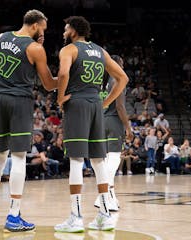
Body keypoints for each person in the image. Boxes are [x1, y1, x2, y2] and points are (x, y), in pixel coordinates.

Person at [0, 9, 57, 232]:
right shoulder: (35, 48)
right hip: (19, 102)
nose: (43, 32)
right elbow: (48, 84)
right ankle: (14, 216)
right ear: (35, 26)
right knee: (18, 157)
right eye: (42, 28)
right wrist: (65, 77)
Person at [55, 16, 128, 233]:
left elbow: (63, 73)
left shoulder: (68, 50)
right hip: (96, 104)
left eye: (66, 28)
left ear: (74, 31)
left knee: (76, 160)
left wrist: (60, 98)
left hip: (77, 103)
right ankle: (104, 216)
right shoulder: (100, 51)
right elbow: (123, 78)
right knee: (98, 160)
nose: (63, 32)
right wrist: (104, 102)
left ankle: (76, 217)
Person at [93, 55, 132, 211]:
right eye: (122, 64)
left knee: (106, 160)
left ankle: (111, 197)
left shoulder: (100, 81)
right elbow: (120, 106)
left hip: (99, 122)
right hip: (113, 121)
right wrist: (128, 127)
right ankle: (102, 194)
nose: (122, 67)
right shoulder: (117, 79)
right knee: (115, 158)